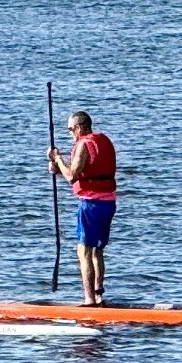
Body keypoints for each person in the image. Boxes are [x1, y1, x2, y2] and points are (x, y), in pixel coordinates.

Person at [49, 109, 119, 304]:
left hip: (91, 204)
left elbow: (72, 176)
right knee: (97, 250)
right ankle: (99, 294)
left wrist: (58, 160)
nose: (70, 134)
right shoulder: (103, 140)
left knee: (84, 251)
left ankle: (89, 300)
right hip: (108, 203)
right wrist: (57, 168)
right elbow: (81, 171)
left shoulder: (84, 144)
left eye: (71, 129)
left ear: (79, 128)